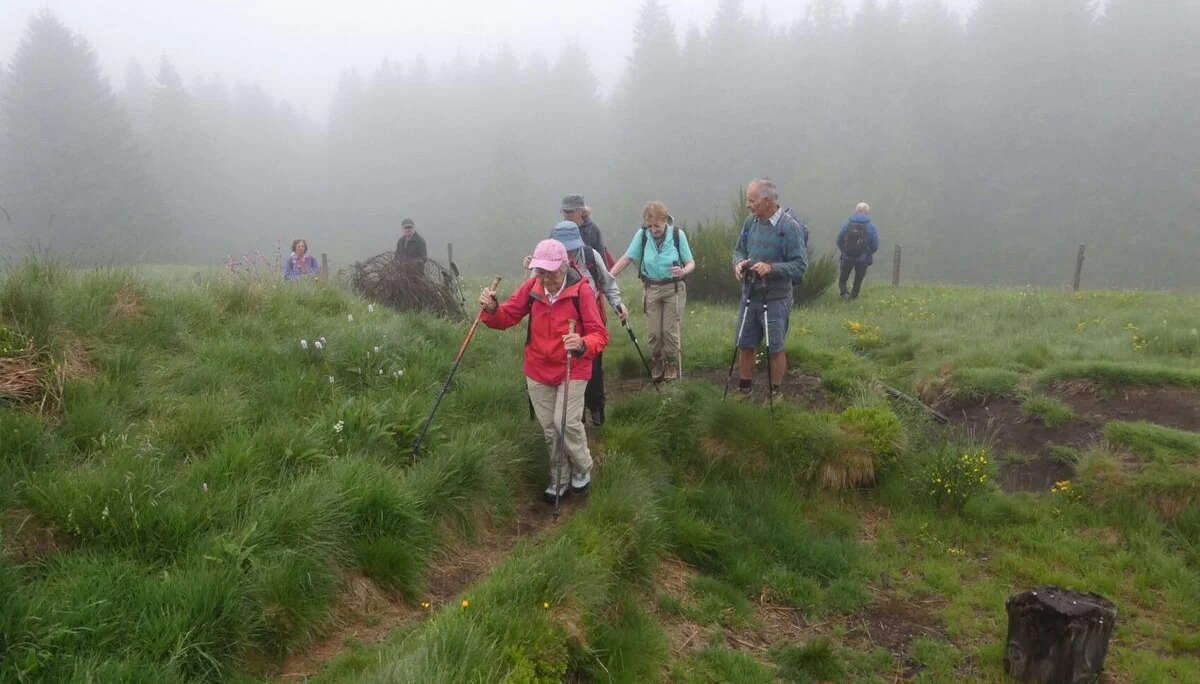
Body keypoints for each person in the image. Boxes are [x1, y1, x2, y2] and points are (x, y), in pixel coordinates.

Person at [479, 239, 609, 502]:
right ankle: (559, 478)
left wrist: (583, 343)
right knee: (550, 428)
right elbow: (506, 318)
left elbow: (599, 334)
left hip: (573, 366)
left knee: (567, 423)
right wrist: (492, 310)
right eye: (540, 270)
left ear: (563, 266)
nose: (545, 277)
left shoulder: (581, 291)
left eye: (550, 271)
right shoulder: (532, 287)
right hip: (538, 369)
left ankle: (583, 468)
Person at [527, 220, 627, 426]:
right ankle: (576, 417)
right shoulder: (544, 263)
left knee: (594, 368)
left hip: (591, 318)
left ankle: (597, 407)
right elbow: (532, 291)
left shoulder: (591, 256)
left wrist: (618, 304)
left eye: (572, 248)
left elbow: (607, 282)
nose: (569, 253)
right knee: (571, 370)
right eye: (565, 249)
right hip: (557, 324)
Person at [731, 178, 808, 401]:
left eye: (751, 200)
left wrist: (771, 268)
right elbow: (738, 250)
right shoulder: (750, 223)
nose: (748, 204)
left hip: (776, 299)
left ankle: (776, 394)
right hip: (749, 295)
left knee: (775, 348)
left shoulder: (789, 227)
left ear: (766, 201)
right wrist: (739, 264)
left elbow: (800, 265)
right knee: (745, 344)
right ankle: (744, 390)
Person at [611, 201, 695, 381]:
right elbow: (627, 257)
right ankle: (657, 361)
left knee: (669, 331)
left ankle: (671, 363)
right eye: (649, 226)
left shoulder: (677, 235)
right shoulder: (642, 235)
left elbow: (690, 262)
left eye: (656, 225)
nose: (653, 229)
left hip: (674, 288)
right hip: (651, 288)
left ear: (665, 220)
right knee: (654, 333)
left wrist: (683, 271)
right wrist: (609, 276)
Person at [836, 203, 881, 302]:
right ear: (867, 212)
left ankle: (844, 295)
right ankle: (853, 296)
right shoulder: (871, 226)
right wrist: (868, 252)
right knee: (858, 278)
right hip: (862, 258)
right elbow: (875, 244)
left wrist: (844, 251)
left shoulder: (847, 224)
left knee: (843, 278)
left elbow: (839, 239)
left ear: (856, 210)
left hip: (847, 256)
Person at [560, 194, 613, 268]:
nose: (566, 215)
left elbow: (602, 260)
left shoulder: (593, 230)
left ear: (581, 211)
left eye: (569, 211)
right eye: (564, 211)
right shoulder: (559, 230)